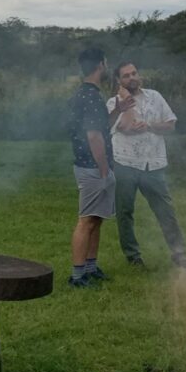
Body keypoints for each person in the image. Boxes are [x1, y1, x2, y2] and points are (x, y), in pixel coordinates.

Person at [107, 60, 186, 269]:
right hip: (125, 163)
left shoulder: (155, 97)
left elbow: (170, 125)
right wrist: (126, 102)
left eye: (134, 73)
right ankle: (133, 257)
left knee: (165, 211)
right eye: (126, 75)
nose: (132, 78)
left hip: (153, 164)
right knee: (125, 212)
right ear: (119, 80)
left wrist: (150, 125)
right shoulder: (113, 104)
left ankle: (179, 254)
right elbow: (126, 127)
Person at [65, 46, 116, 288]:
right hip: (92, 167)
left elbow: (100, 125)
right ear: (100, 65)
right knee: (86, 220)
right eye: (105, 62)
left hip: (87, 165)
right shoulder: (92, 97)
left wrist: (117, 111)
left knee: (96, 218)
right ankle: (77, 276)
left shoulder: (83, 94)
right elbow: (94, 136)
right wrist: (104, 170)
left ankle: (91, 267)